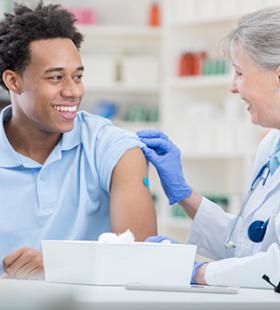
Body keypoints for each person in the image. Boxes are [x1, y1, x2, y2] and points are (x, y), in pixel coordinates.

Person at [0, 1, 157, 280]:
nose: (73, 91)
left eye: (78, 76)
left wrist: (59, 268)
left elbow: (142, 262)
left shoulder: (114, 149)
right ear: (14, 81)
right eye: (56, 77)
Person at [138, 6, 280, 289]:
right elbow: (245, 245)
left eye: (240, 73)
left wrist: (197, 272)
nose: (233, 87)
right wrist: (184, 195)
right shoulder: (271, 145)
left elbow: (274, 268)